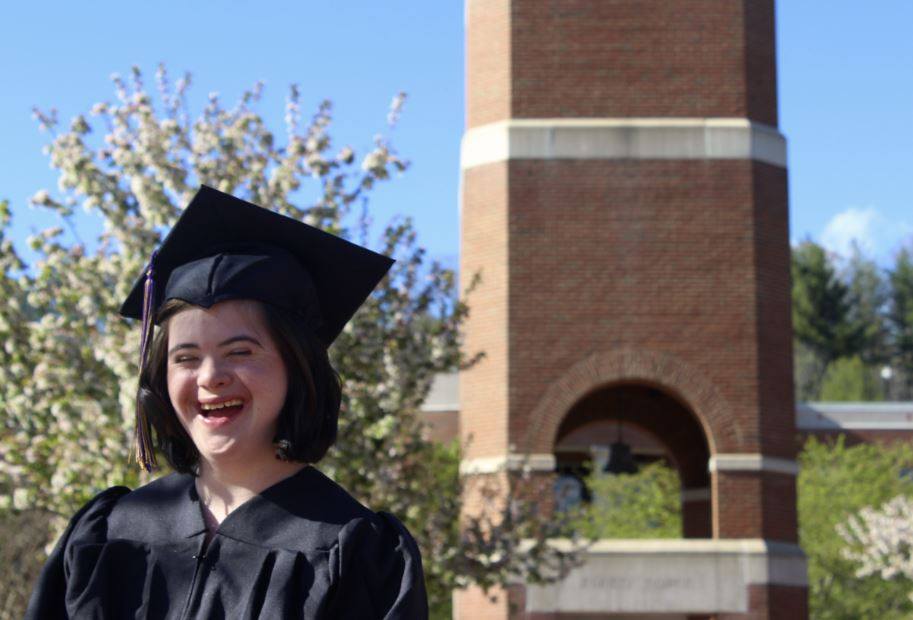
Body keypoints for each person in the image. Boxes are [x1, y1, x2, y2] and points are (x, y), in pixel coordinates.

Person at [25, 186, 429, 619]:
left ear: (297, 366)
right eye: (186, 358)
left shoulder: (355, 552)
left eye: (241, 352)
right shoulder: (108, 534)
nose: (210, 376)